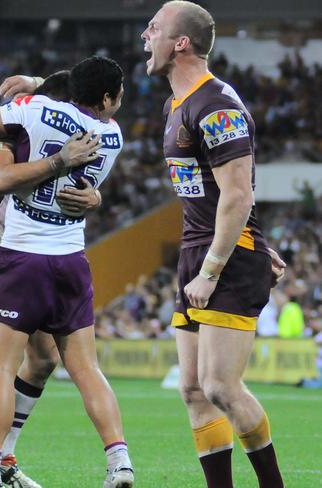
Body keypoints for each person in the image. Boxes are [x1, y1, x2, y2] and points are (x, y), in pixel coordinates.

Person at [0, 55, 134, 488]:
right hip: (62, 256)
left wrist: (36, 100)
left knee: (8, 366)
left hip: (19, 254)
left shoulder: (27, 116)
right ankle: (119, 461)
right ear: (107, 99)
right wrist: (91, 196)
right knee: (77, 366)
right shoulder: (111, 135)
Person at [141, 2, 286, 487]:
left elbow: (238, 192)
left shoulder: (217, 105)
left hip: (220, 258)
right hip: (197, 250)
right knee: (192, 389)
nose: (145, 35)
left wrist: (215, 266)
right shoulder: (174, 106)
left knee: (221, 386)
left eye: (155, 28)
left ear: (181, 43)